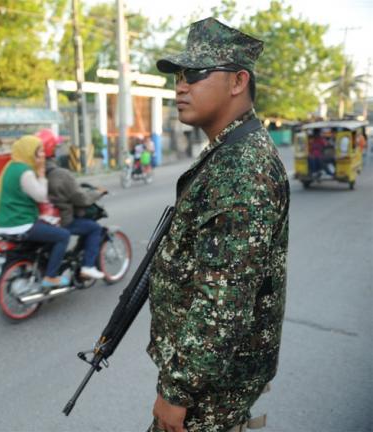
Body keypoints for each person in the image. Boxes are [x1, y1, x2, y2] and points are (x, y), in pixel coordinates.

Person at [149, 17, 290, 432]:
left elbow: (223, 303)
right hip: (210, 379)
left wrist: (176, 391)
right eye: (178, 76)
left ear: (238, 81)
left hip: (208, 392)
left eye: (195, 74)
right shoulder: (228, 149)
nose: (180, 87)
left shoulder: (241, 168)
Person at [0, 135, 71, 289]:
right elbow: (41, 196)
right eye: (39, 151)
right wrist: (41, 175)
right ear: (29, 152)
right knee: (63, 235)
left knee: (47, 232)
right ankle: (51, 277)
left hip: (4, 224)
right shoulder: (25, 172)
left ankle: (38, 267)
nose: (43, 155)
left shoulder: (9, 167)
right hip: (22, 224)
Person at [37, 129, 106, 280]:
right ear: (52, 150)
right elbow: (81, 198)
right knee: (94, 228)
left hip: (40, 220)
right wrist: (97, 193)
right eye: (56, 147)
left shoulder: (34, 172)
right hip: (62, 220)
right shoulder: (60, 174)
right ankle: (88, 267)